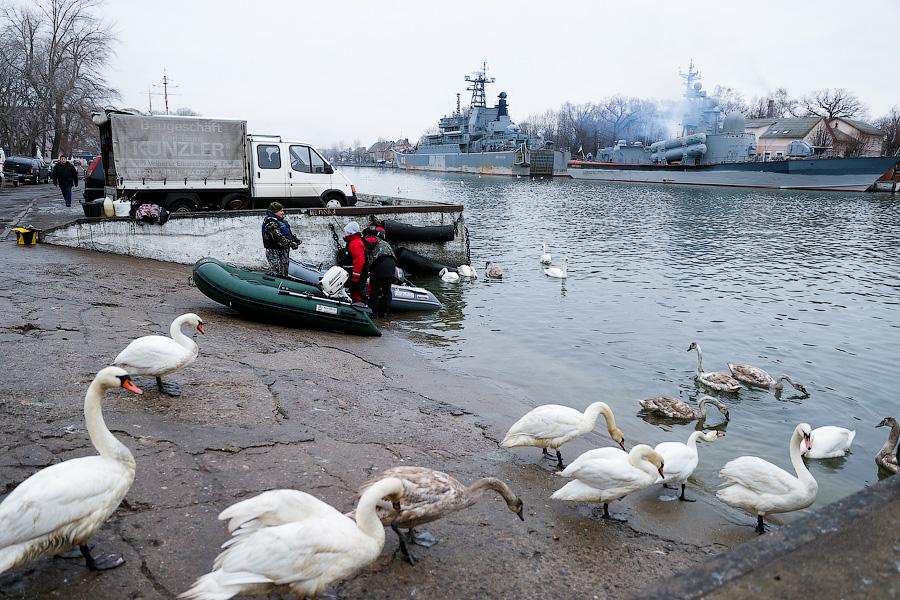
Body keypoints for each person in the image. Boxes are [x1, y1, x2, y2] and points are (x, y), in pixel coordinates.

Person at [261, 202, 300, 277]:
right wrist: (290, 244)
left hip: (283, 252)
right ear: (275, 212)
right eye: (281, 211)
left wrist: (294, 239)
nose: (283, 212)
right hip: (275, 252)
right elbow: (277, 237)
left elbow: (286, 234)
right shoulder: (271, 222)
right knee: (277, 273)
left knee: (284, 273)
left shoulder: (281, 221)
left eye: (283, 210)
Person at [364, 226, 397, 318]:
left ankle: (373, 315)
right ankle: (384, 314)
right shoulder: (385, 243)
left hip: (380, 265)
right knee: (387, 290)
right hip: (391, 266)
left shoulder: (373, 239)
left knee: (374, 291)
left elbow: (364, 246)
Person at [342, 221, 367, 304]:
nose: (345, 234)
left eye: (346, 232)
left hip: (356, 275)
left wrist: (355, 277)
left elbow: (359, 261)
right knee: (354, 292)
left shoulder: (355, 243)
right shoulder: (353, 242)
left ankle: (360, 307)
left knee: (356, 294)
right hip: (352, 273)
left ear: (350, 232)